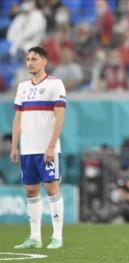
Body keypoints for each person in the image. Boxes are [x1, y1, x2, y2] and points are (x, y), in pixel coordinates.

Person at [10, 46, 66, 249]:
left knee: (51, 188)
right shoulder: (22, 86)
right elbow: (18, 118)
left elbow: (60, 117)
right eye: (27, 59)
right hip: (27, 149)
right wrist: (15, 146)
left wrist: (51, 146)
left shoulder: (54, 84)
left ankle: (57, 236)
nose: (30, 62)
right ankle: (35, 237)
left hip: (47, 148)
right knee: (31, 191)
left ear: (44, 61)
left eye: (34, 58)